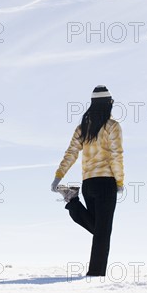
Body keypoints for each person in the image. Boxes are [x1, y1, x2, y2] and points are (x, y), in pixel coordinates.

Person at [51, 85, 124, 277]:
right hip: (106, 183)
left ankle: (72, 199)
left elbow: (71, 153)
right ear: (108, 104)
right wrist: (119, 182)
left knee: (98, 229)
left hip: (89, 184)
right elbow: (117, 155)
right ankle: (95, 275)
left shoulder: (83, 127)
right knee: (102, 233)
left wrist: (59, 175)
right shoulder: (112, 126)